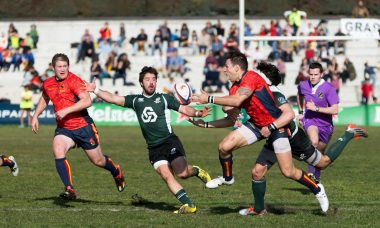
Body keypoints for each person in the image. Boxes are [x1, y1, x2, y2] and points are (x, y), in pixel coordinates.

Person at [191, 61, 368, 215]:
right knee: (257, 172)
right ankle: (259, 210)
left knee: (320, 163)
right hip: (271, 133)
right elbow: (232, 115)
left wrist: (270, 126)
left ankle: (347, 136)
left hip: (289, 134)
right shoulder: (245, 88)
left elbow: (288, 115)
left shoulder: (274, 93)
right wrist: (206, 123)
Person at [86, 66, 212, 214]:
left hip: (170, 141)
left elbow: (184, 110)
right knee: (166, 175)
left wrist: (197, 112)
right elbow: (114, 99)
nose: (151, 82)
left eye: (153, 79)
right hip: (153, 148)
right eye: (147, 79)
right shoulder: (136, 101)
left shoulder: (164, 98)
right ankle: (189, 205)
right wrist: (95, 90)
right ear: (141, 83)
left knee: (182, 174)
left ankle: (197, 171)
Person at [31, 53, 125, 200]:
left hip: (83, 127)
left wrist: (66, 110)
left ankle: (115, 170)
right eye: (59, 66)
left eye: (65, 66)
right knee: (58, 149)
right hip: (64, 128)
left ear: (68, 66)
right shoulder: (48, 83)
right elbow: (45, 98)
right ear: (53, 68)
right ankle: (70, 189)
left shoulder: (74, 80)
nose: (62, 69)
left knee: (98, 161)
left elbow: (87, 101)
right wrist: (36, 115)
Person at [297, 62, 339, 182]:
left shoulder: (329, 88)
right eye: (311, 74)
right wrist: (300, 111)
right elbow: (299, 94)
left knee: (319, 153)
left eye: (316, 74)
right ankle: (310, 175)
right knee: (313, 142)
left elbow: (335, 109)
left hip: (326, 124)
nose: (313, 77)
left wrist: (317, 108)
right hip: (310, 120)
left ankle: (316, 178)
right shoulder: (303, 85)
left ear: (322, 74)